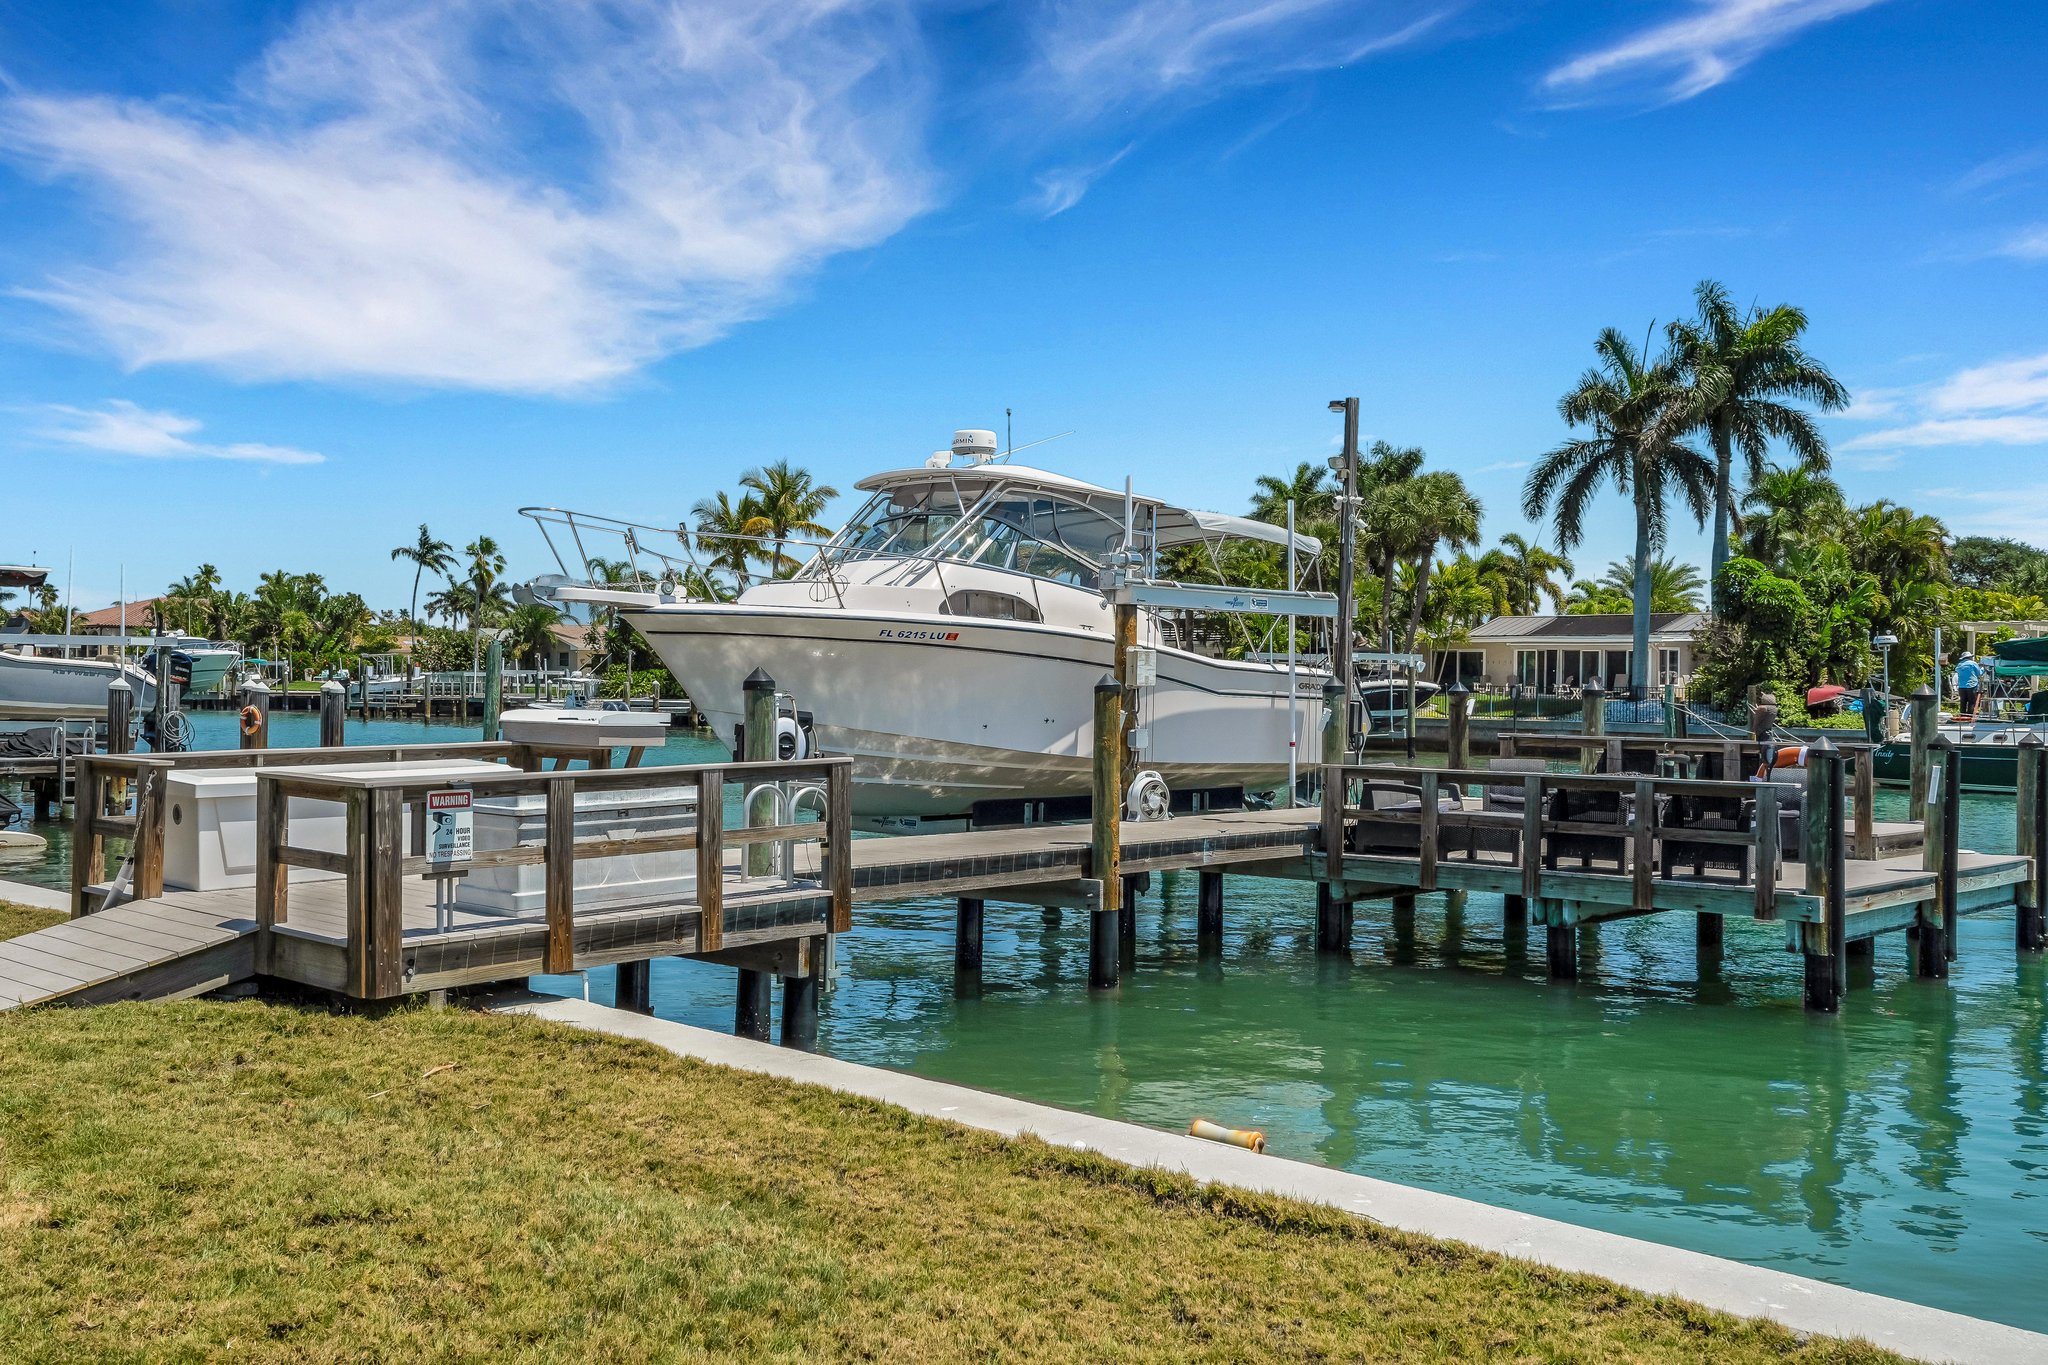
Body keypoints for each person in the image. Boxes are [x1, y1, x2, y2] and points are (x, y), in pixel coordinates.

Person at [1956, 653, 1983, 719]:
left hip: (1961, 686)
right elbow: (1979, 673)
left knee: (1963, 702)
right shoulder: (1972, 663)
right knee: (1971, 702)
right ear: (1969, 657)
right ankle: (1970, 717)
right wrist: (1982, 668)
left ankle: (1962, 716)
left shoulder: (1959, 665)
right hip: (1971, 685)